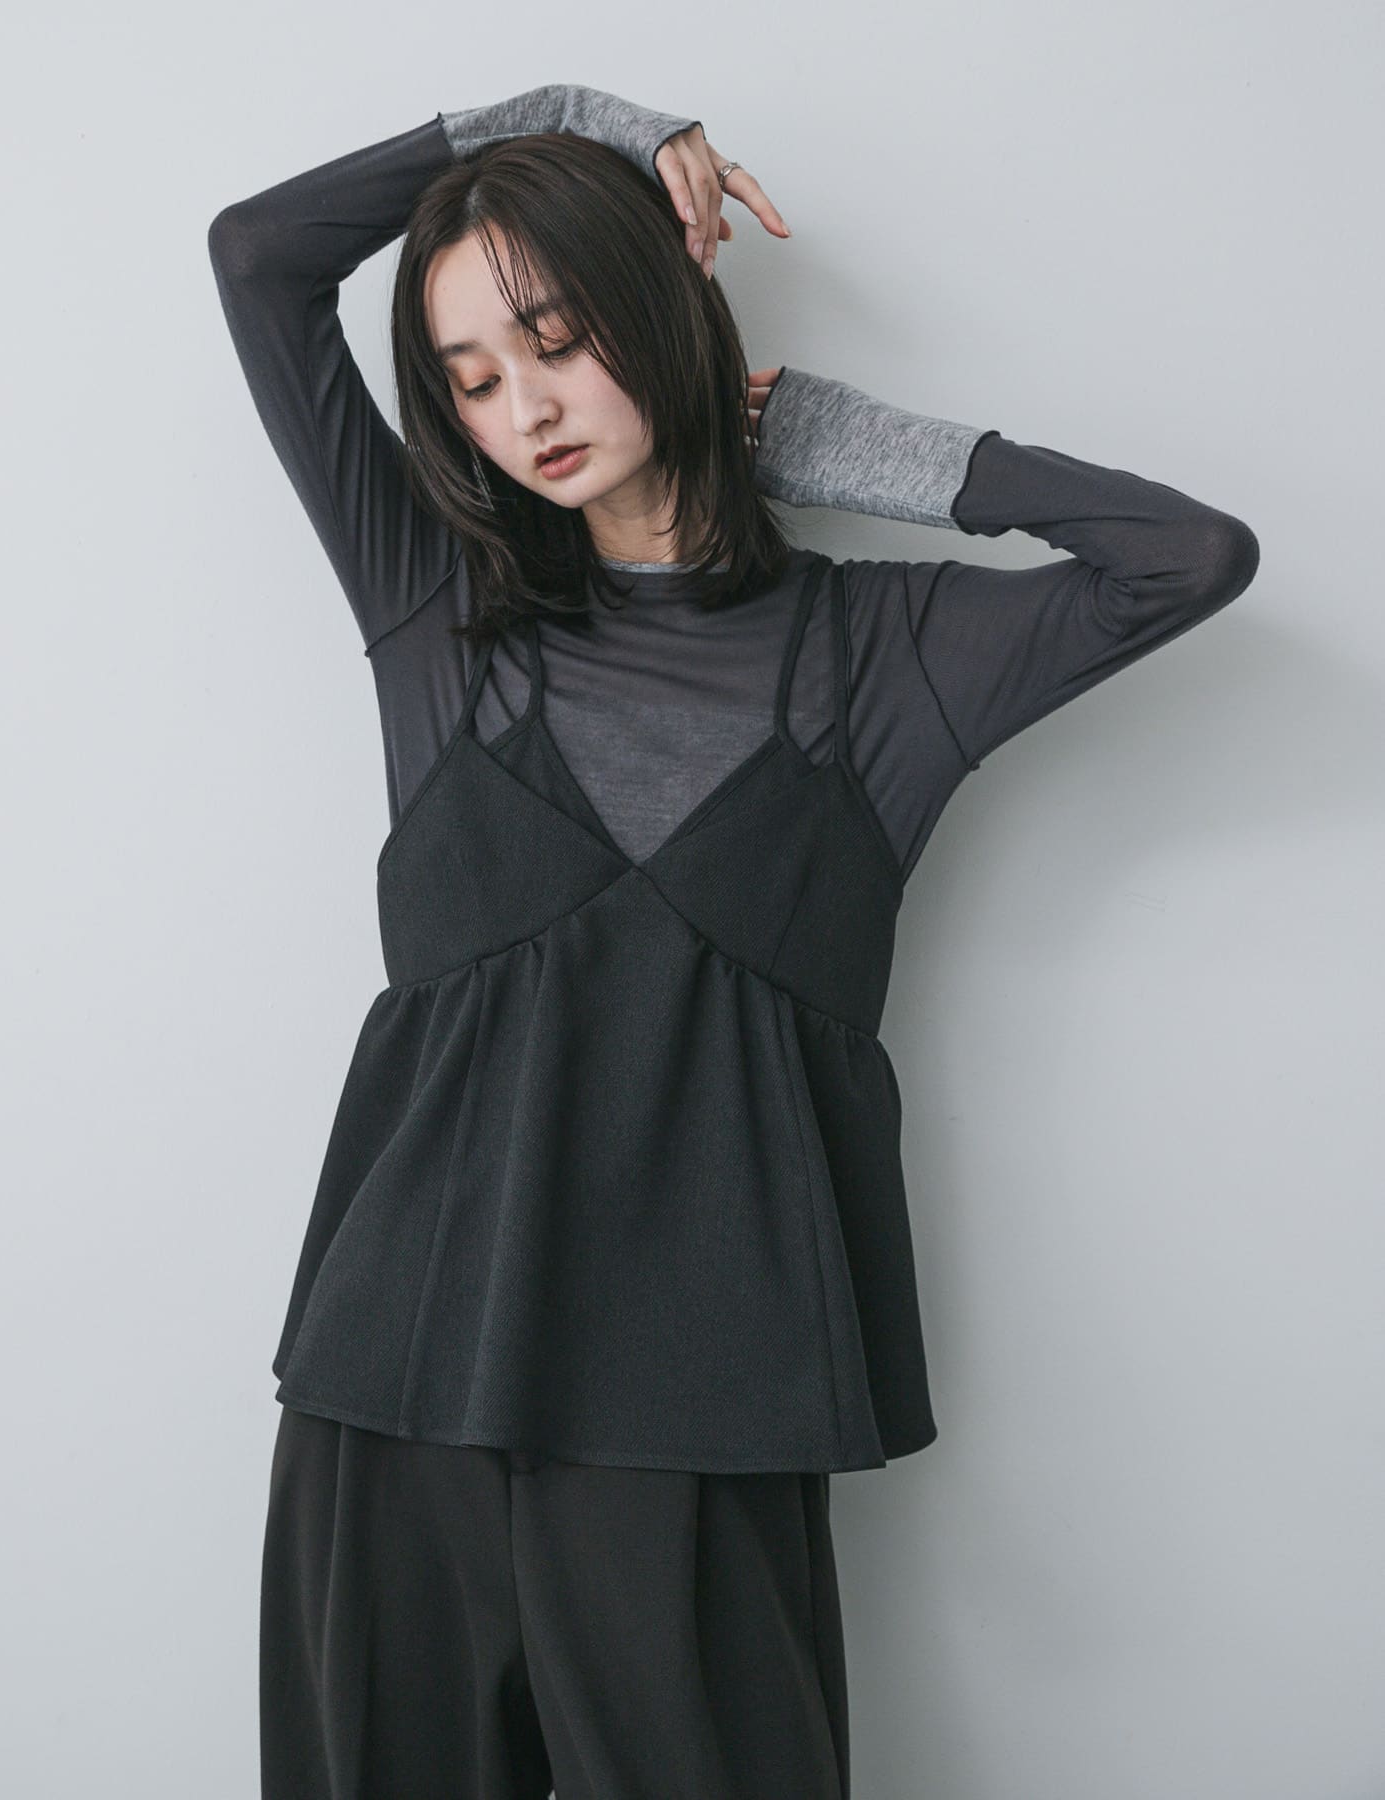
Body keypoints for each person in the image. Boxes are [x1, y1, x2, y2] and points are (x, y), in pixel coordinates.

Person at [207, 82, 1260, 1799]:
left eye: (556, 339)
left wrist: (837, 444)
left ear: (664, 309)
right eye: (472, 377)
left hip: (696, 1430)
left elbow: (1188, 559)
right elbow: (258, 258)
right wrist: (548, 115)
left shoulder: (886, 659)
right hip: (387, 1402)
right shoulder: (439, 614)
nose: (524, 407)